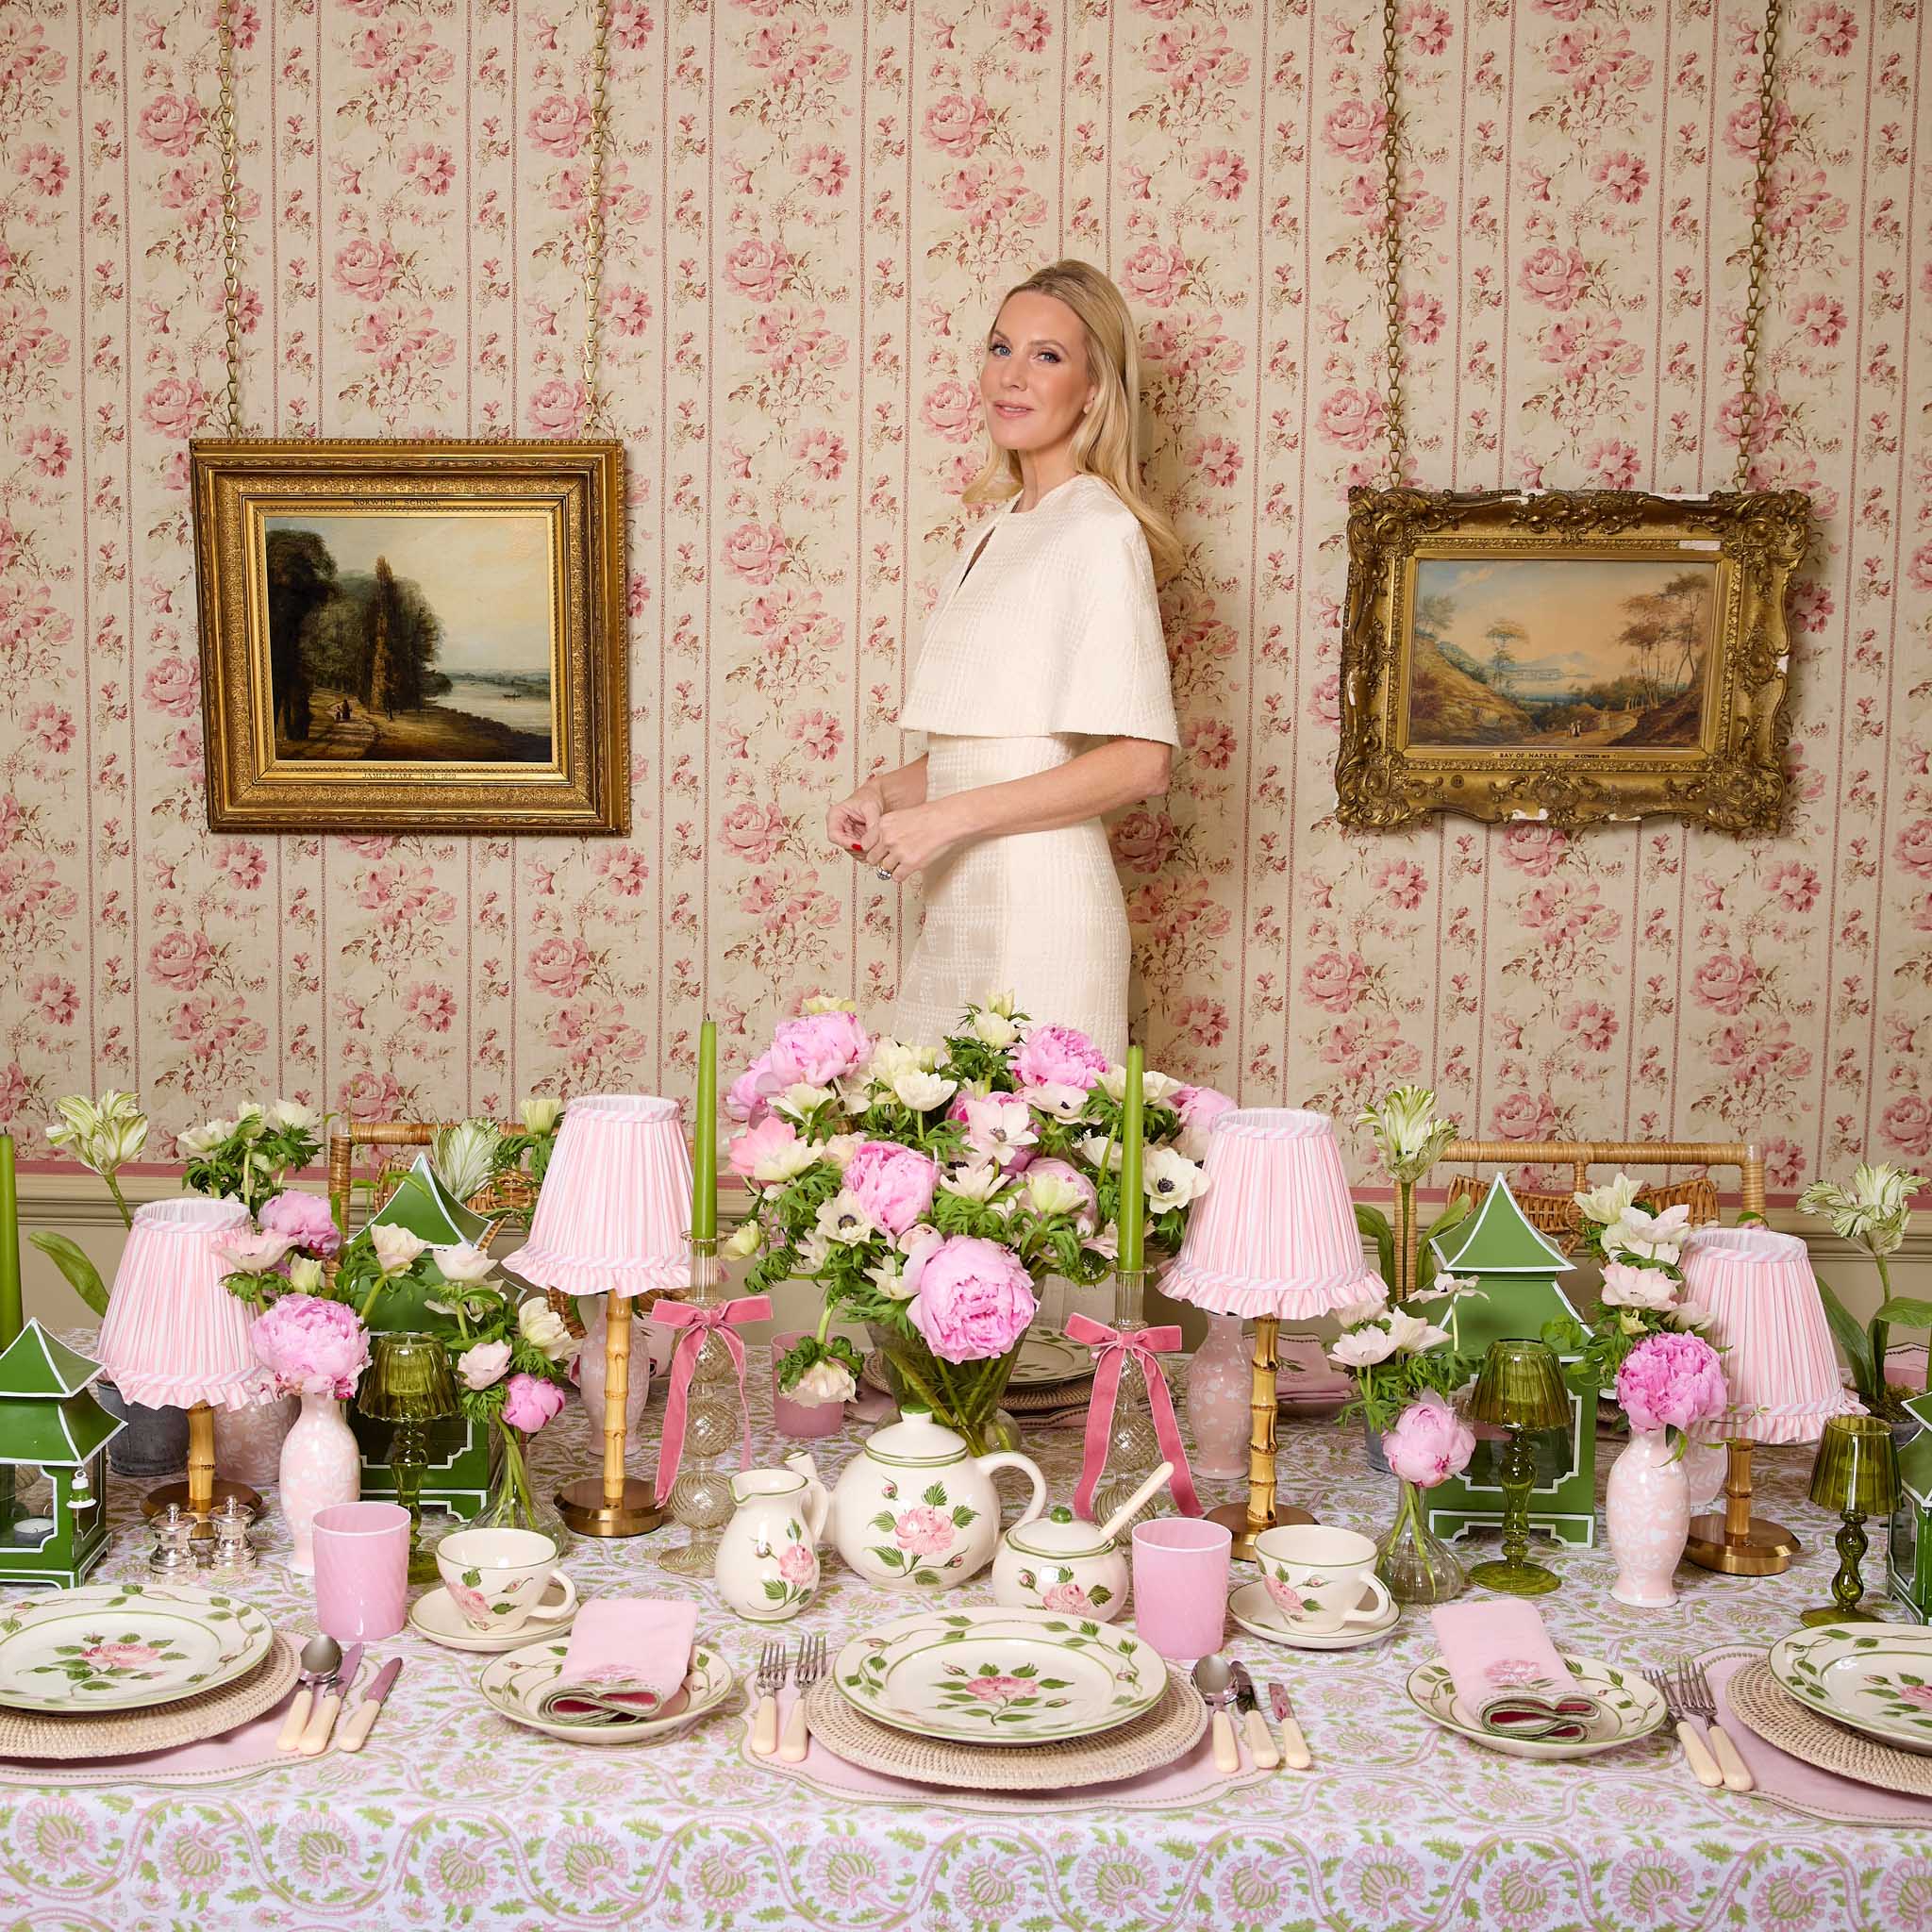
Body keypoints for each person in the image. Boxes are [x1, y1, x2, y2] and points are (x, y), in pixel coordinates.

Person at [826, 259, 1182, 1060]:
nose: (1011, 377)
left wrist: (943, 822)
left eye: (1047, 356)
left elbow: (1140, 765)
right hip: (965, 899)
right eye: (1000, 349)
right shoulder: (992, 530)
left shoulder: (1099, 530)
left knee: (1035, 1173)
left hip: (1043, 911)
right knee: (938, 1162)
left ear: (1095, 390)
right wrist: (884, 795)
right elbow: (999, 743)